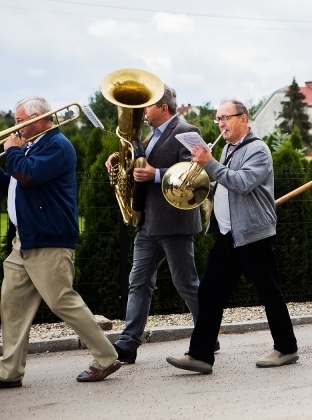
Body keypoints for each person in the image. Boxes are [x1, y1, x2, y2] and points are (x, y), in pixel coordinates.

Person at [167, 99, 298, 374]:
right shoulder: (227, 148)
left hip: (253, 234)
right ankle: (200, 355)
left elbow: (242, 182)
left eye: (226, 118)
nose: (221, 124)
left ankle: (286, 348)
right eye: (218, 119)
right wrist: (199, 179)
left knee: (268, 293)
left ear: (243, 118)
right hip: (228, 235)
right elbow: (224, 183)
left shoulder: (257, 149)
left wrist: (210, 164)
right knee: (209, 293)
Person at [1, 97, 121, 387]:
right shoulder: (32, 147)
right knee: (11, 304)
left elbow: (29, 176)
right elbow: (14, 183)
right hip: (25, 237)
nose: (16, 127)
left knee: (61, 300)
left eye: (20, 121)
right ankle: (10, 372)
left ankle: (106, 357)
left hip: (49, 238)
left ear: (40, 118)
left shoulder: (57, 145)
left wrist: (13, 151)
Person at [104, 85, 203, 364]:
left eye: (147, 106)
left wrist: (155, 174)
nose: (143, 112)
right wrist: (119, 162)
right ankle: (128, 344)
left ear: (163, 107)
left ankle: (208, 334)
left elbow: (195, 173)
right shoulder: (150, 136)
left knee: (186, 284)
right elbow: (139, 165)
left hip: (175, 223)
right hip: (148, 223)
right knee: (138, 281)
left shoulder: (187, 130)